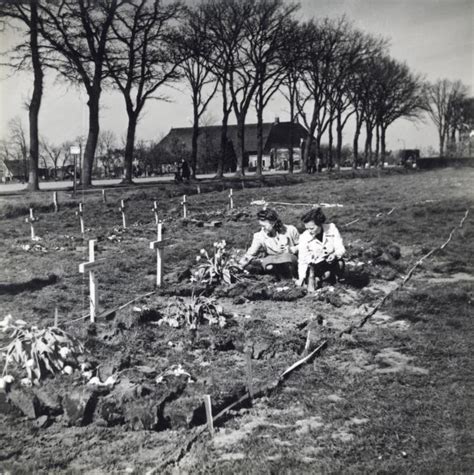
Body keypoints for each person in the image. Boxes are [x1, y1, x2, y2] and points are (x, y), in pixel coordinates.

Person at [239, 208, 299, 278]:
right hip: (273, 261)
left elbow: (302, 245)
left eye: (264, 226)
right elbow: (251, 253)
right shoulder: (259, 236)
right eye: (261, 226)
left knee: (287, 260)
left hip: (290, 260)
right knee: (256, 265)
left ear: (273, 223)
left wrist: (292, 249)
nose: (262, 228)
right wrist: (241, 264)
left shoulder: (290, 230)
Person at [297, 207, 345, 290]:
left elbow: (340, 248)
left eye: (312, 228)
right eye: (307, 228)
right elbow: (302, 259)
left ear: (319, 224)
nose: (309, 231)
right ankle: (322, 278)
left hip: (331, 262)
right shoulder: (304, 237)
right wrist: (301, 277)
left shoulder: (331, 229)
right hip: (316, 266)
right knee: (313, 282)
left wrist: (335, 255)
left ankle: (338, 280)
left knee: (340, 263)